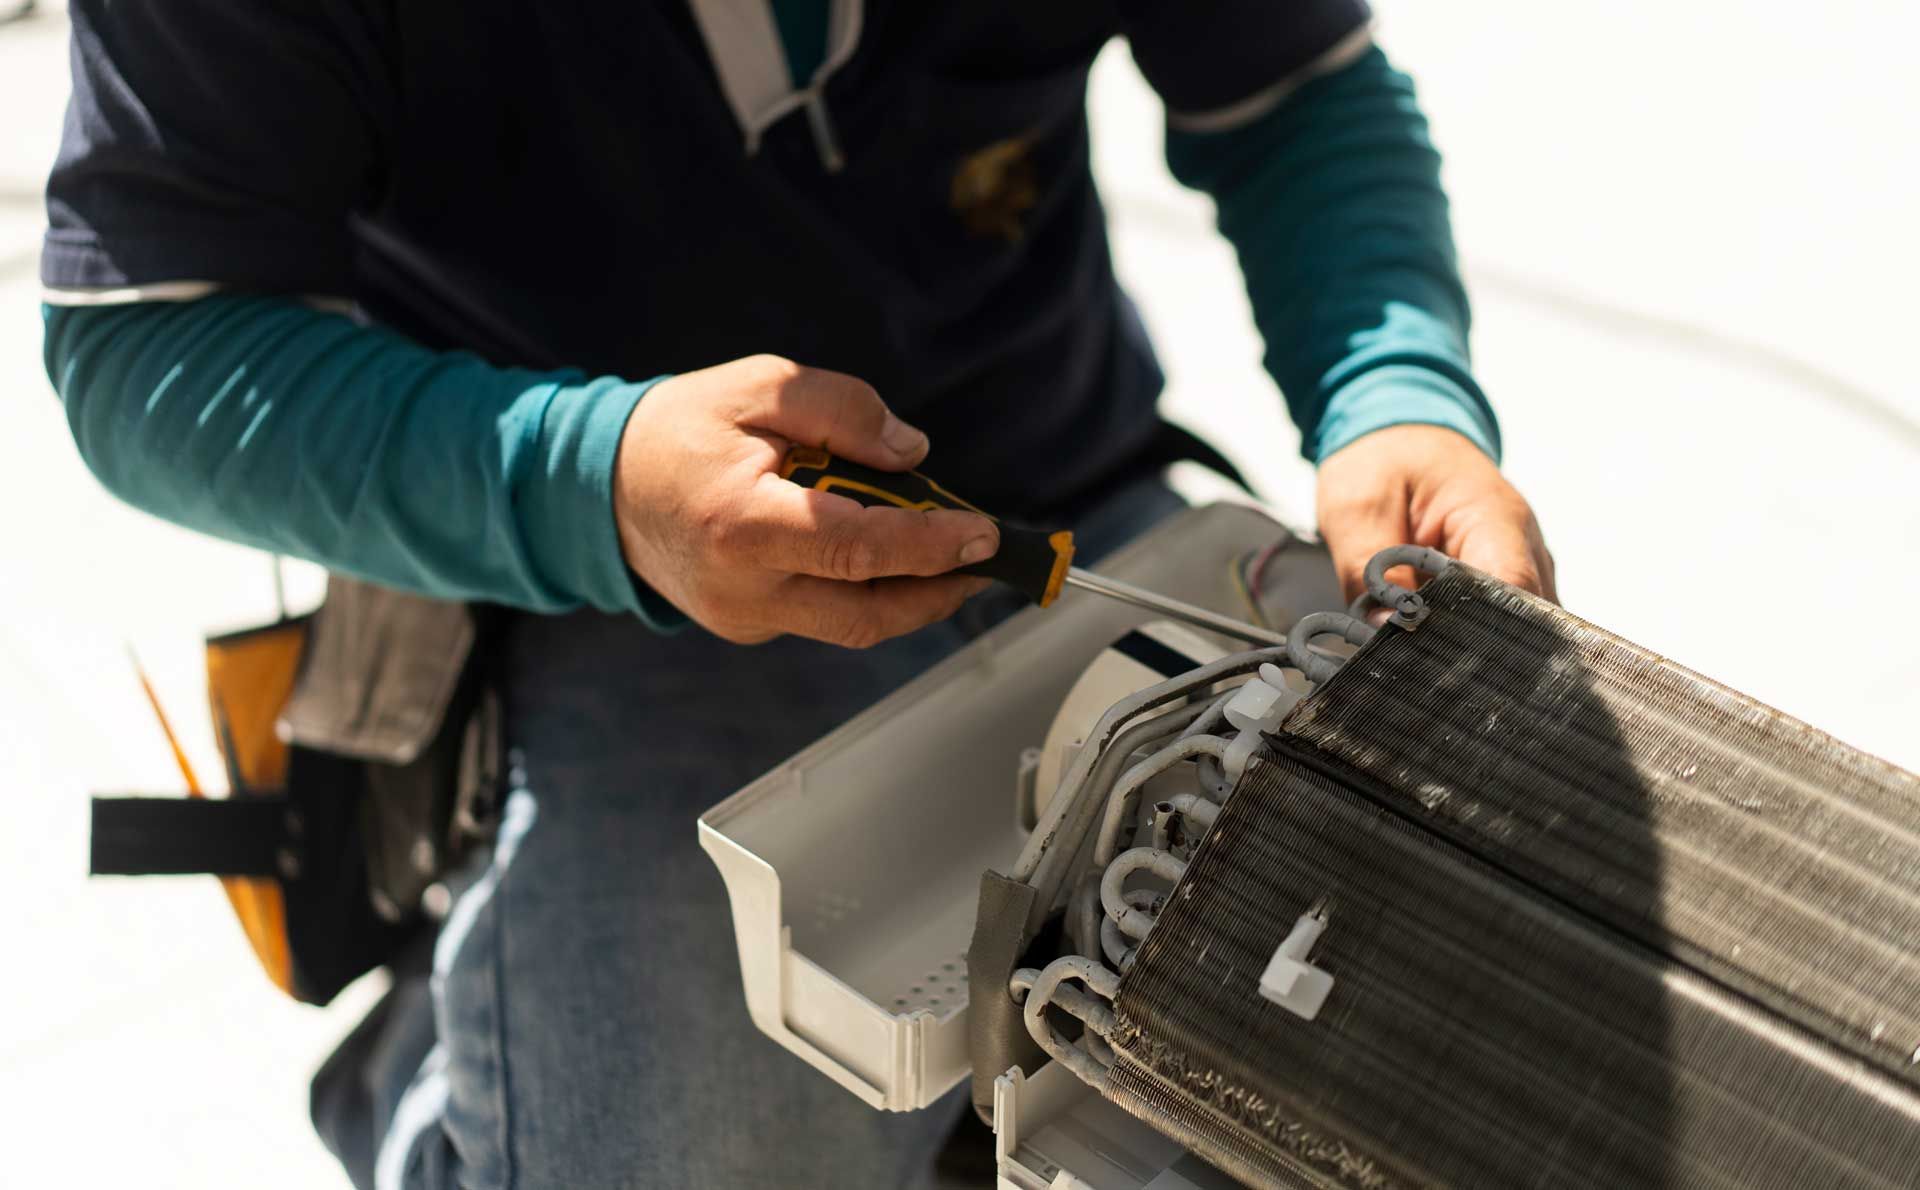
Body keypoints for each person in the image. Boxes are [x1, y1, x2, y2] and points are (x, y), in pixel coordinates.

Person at [41, 1, 1554, 1185]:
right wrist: (593, 478)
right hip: (609, 598)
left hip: (1066, 500)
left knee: (1441, 1073)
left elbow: (1293, 93)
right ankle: (441, 1060)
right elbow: (146, 338)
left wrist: (1396, 397)